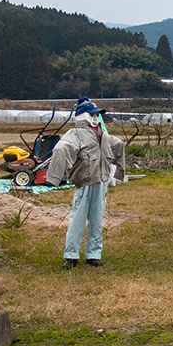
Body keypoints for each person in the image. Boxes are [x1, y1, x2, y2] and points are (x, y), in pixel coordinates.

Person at [46, 98, 124, 269]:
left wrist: (118, 173)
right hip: (84, 182)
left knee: (97, 219)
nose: (96, 118)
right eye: (92, 115)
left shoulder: (103, 134)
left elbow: (118, 146)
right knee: (78, 219)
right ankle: (71, 255)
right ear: (82, 116)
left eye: (97, 115)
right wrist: (54, 178)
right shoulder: (75, 134)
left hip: (101, 181)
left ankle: (94, 254)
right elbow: (61, 149)